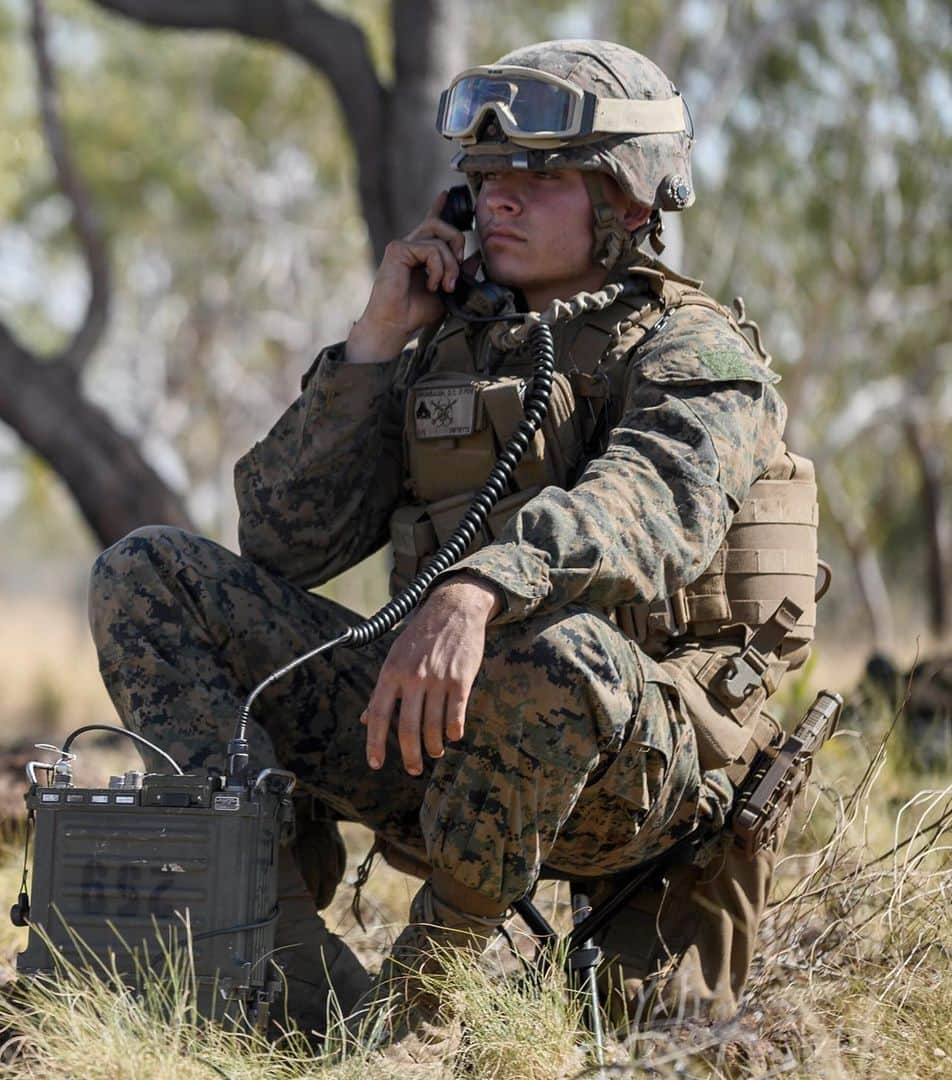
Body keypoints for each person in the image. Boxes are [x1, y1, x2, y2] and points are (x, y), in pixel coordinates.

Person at [88, 39, 821, 1040]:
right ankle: (274, 957)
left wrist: (480, 587)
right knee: (148, 572)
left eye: (543, 175)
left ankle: (421, 1005)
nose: (502, 197)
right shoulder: (447, 345)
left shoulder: (699, 354)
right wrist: (376, 344)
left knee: (561, 649)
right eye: (484, 178)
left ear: (632, 200)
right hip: (435, 737)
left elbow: (652, 510)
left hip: (632, 774)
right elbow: (281, 542)